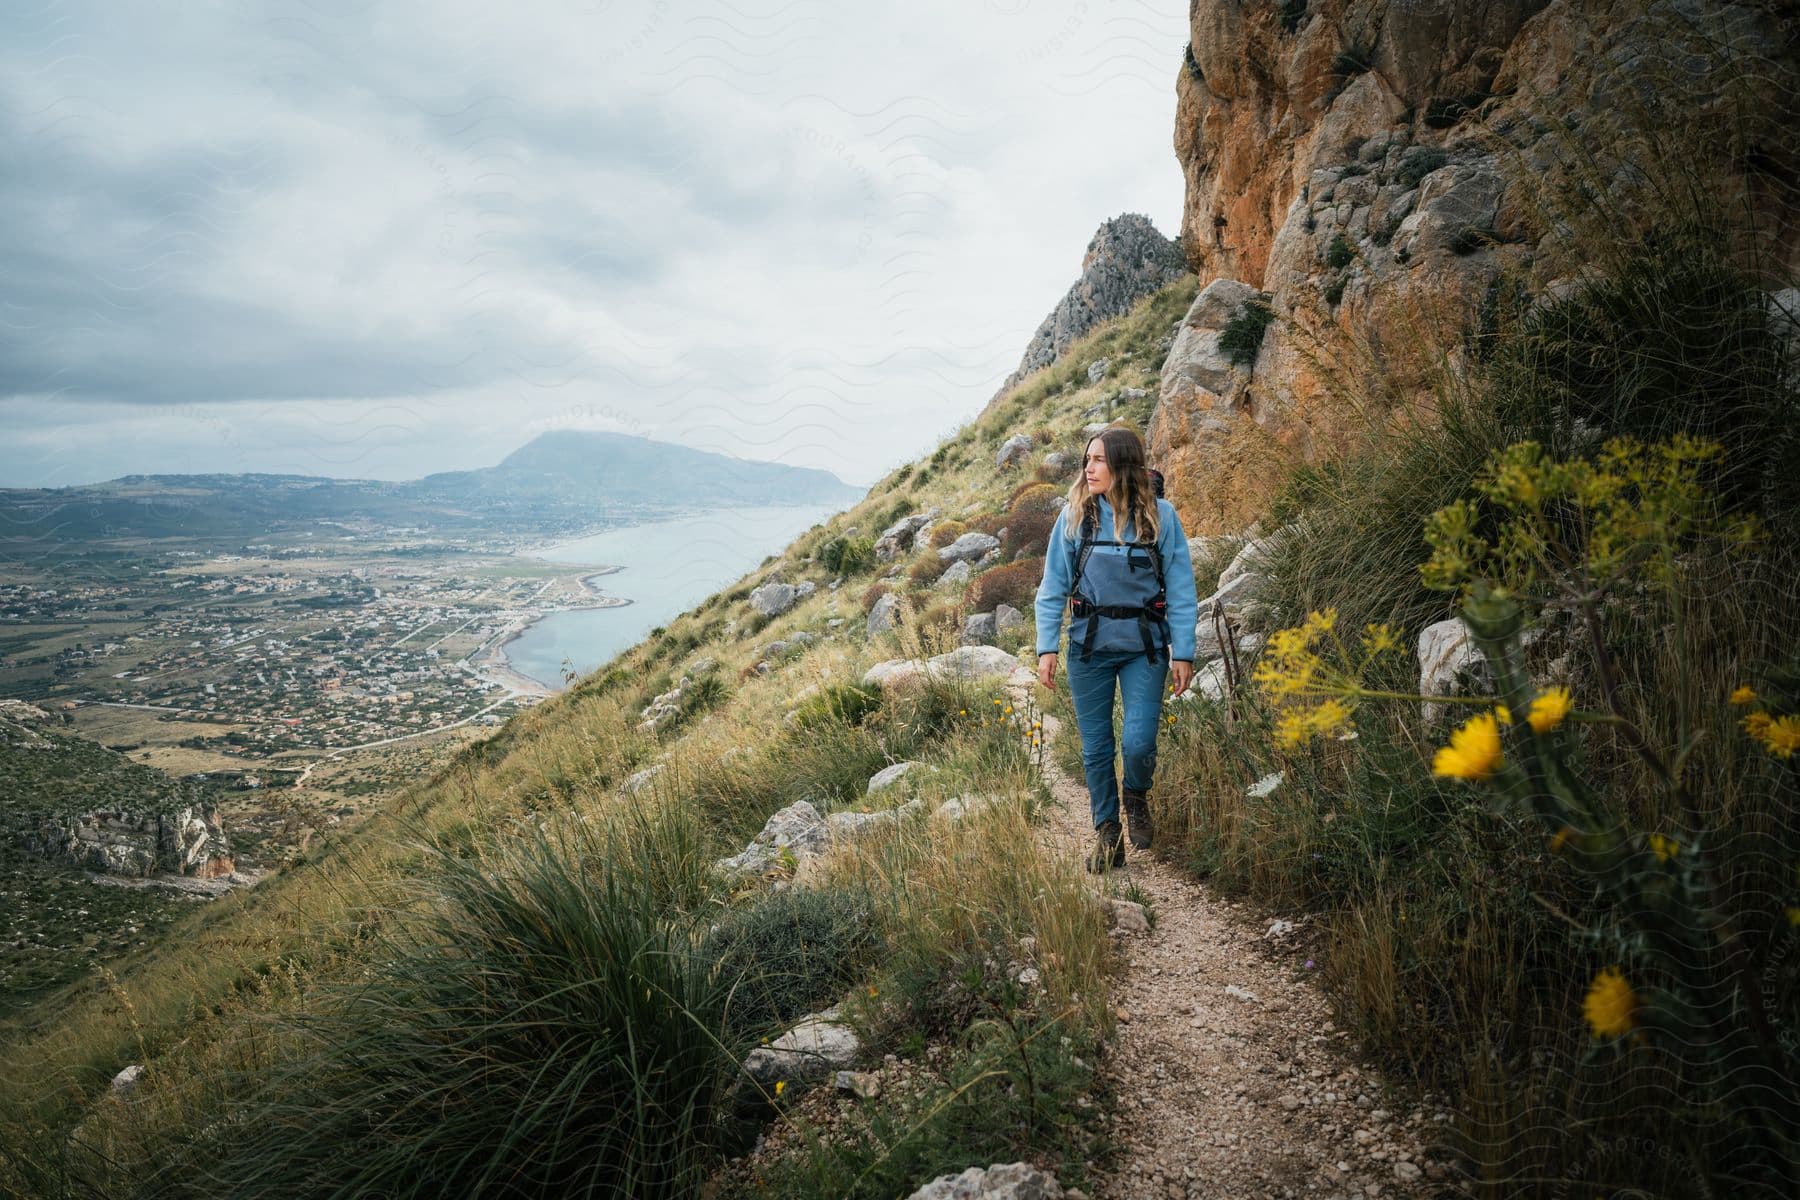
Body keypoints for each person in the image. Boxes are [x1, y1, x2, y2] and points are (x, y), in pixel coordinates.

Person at [1033, 427, 1198, 872]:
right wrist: (1046, 647)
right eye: (1087, 459)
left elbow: (1181, 589)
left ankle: (1136, 796)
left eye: (1099, 460)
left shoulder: (1161, 517)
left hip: (1144, 649)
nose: (1089, 468)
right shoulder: (1074, 518)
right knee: (1096, 749)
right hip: (1089, 650)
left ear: (1123, 465)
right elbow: (1052, 588)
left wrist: (1183, 651)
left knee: (1139, 741)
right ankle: (1107, 834)